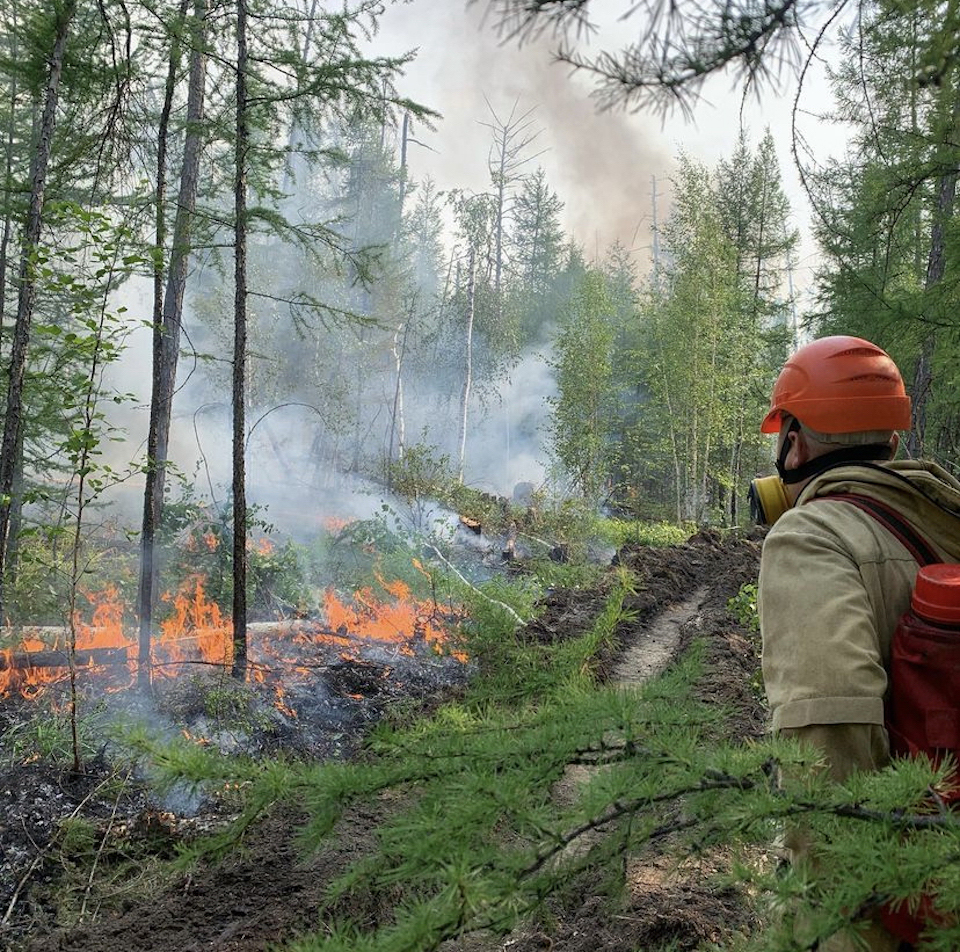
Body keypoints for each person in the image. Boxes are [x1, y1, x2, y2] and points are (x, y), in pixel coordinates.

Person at [756, 335, 960, 951]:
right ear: (893, 440)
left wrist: (835, 916)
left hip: (889, 901)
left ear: (794, 440)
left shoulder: (810, 537)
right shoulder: (945, 519)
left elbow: (828, 735)